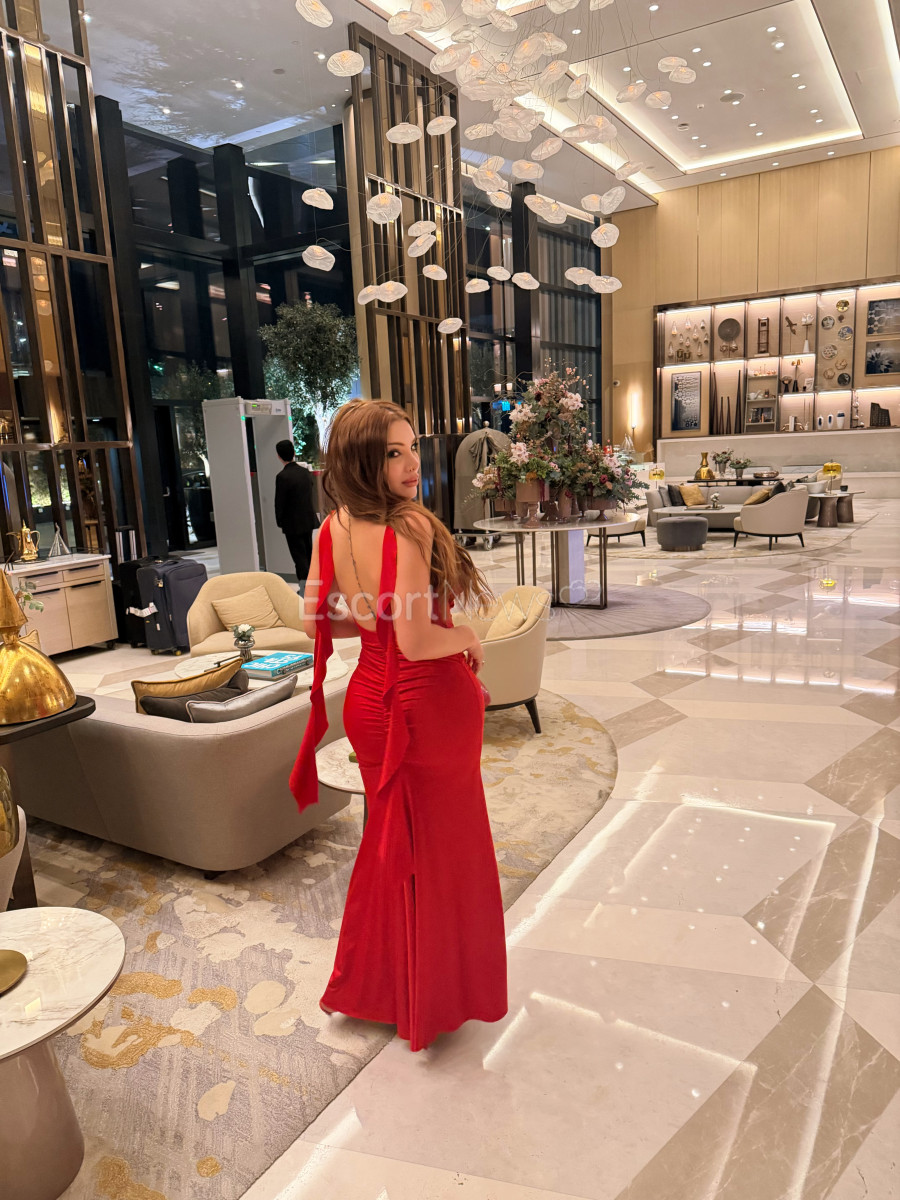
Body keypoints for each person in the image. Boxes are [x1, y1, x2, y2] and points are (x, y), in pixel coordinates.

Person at [290, 399, 508, 1051]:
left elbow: (315, 621)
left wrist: (373, 618)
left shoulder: (330, 528)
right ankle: (431, 996)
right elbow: (417, 642)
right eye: (393, 452)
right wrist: (466, 634)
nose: (412, 463)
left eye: (412, 447)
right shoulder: (409, 527)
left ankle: (384, 988)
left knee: (391, 843)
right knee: (443, 850)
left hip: (368, 700)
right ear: (362, 461)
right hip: (424, 706)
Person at [274, 439, 319, 588]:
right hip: (307, 519)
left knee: (299, 557)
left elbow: (279, 502)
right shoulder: (305, 473)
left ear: (279, 456)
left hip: (292, 524)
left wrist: (280, 520)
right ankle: (314, 585)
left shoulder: (282, 477)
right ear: (294, 452)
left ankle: (305, 588)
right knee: (309, 553)